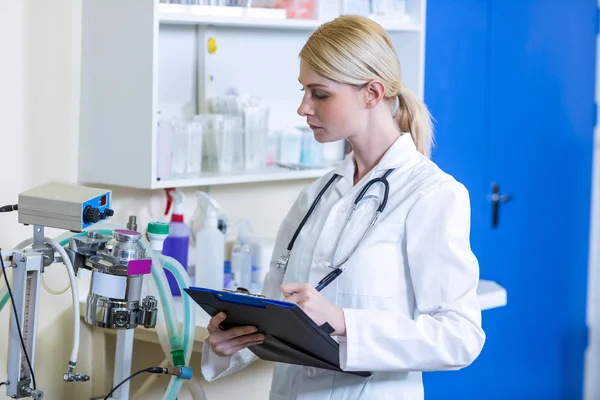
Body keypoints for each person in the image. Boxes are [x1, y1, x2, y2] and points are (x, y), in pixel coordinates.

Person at [200, 14, 485, 399]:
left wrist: (343, 321)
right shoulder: (317, 194)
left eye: (320, 94)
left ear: (371, 92)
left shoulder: (431, 193)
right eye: (303, 90)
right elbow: (278, 310)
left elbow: (459, 337)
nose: (303, 107)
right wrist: (229, 341)